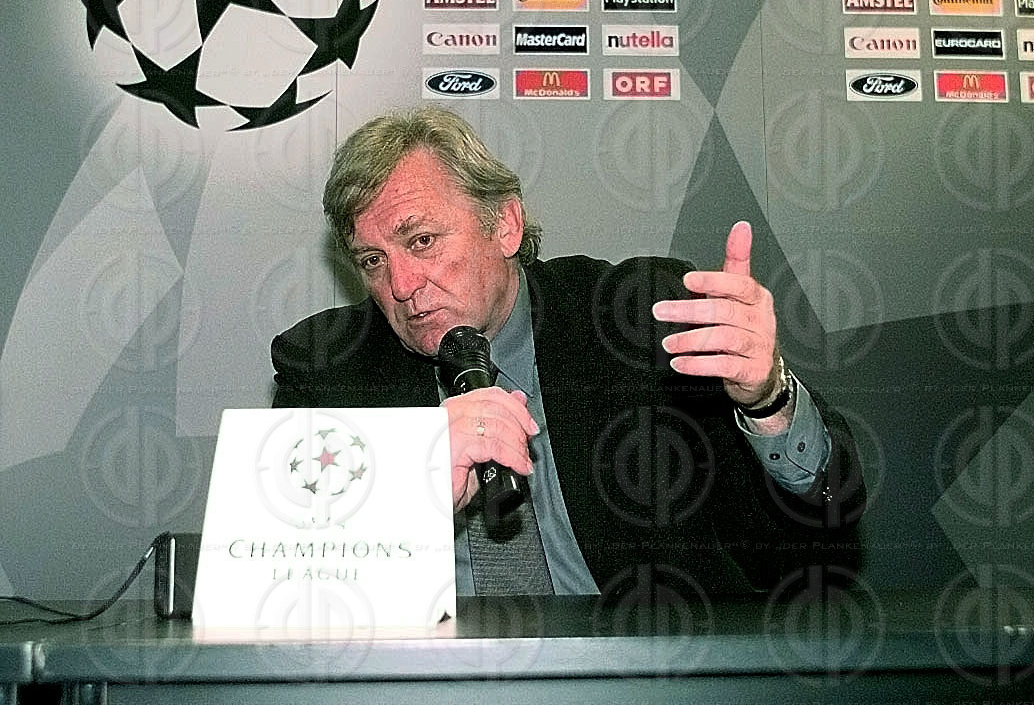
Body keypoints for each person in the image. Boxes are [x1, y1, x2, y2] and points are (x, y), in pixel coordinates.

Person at [272, 105, 865, 596]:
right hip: (428, 684)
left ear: (505, 224)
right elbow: (285, 591)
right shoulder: (327, 369)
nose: (401, 285)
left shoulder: (641, 323)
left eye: (422, 241)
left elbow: (819, 528)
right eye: (373, 260)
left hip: (639, 675)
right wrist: (407, 483)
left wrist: (767, 402)